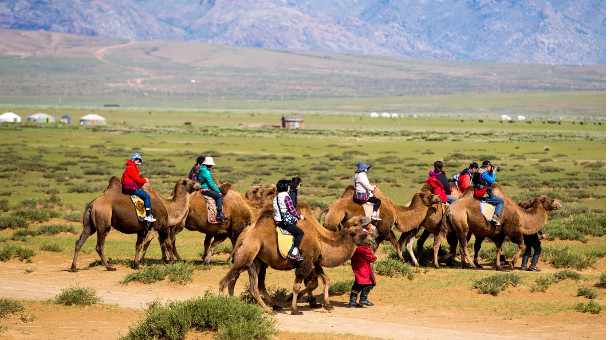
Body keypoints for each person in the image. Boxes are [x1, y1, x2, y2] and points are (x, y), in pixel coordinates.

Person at [273, 179, 305, 261]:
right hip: (285, 222)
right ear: (285, 187)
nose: (289, 188)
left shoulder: (275, 198)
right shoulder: (286, 197)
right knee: (300, 233)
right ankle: (294, 253)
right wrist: (299, 217)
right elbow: (292, 211)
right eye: (288, 186)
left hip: (277, 221)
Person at [349, 216, 377, 308]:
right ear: (368, 224)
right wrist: (372, 257)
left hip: (357, 260)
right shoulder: (364, 235)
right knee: (368, 283)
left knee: (358, 282)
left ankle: (352, 302)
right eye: (370, 223)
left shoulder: (358, 233)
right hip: (361, 262)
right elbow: (363, 250)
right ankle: (363, 299)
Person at [121, 153, 156, 222]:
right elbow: (137, 179)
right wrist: (145, 180)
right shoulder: (131, 168)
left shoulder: (130, 167)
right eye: (136, 159)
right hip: (131, 188)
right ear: (133, 159)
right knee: (147, 197)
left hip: (129, 187)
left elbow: (122, 179)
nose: (138, 161)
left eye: (139, 159)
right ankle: (148, 215)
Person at [472, 160, 504, 226]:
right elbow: (491, 181)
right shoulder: (484, 173)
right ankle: (495, 217)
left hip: (477, 192)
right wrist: (494, 172)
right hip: (484, 195)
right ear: (488, 167)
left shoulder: (478, 171)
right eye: (490, 166)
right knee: (501, 201)